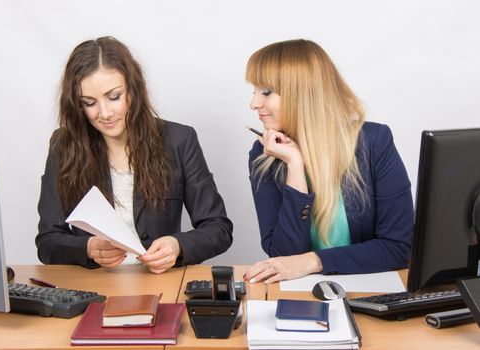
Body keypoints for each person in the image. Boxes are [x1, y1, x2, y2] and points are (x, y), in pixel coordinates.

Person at [36, 36, 233, 273]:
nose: (105, 113)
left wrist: (177, 245)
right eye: (89, 102)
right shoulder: (63, 145)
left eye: (114, 97)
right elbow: (47, 242)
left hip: (159, 285)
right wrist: (88, 248)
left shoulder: (179, 139)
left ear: (133, 89)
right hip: (94, 287)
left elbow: (218, 228)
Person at [243, 39, 413, 284]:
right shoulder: (264, 156)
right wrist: (295, 166)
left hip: (371, 290)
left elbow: (398, 247)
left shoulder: (374, 142)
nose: (254, 103)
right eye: (254, 91)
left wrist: (314, 261)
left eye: (266, 92)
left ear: (303, 93)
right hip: (303, 295)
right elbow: (283, 256)